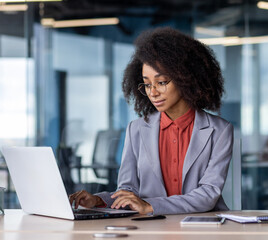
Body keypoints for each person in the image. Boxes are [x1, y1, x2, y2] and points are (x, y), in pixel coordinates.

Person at [69, 27, 234, 215]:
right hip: (151, 226)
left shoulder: (220, 130)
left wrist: (151, 206)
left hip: (203, 226)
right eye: (147, 84)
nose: (153, 92)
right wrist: (98, 200)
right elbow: (128, 191)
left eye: (162, 82)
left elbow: (208, 194)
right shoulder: (136, 129)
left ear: (187, 79)